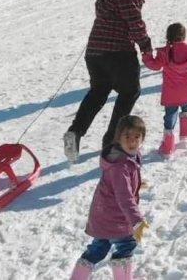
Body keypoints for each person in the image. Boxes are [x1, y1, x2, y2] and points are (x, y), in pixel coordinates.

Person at [65, 0, 153, 162]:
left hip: (95, 50)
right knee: (130, 91)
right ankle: (113, 142)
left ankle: (75, 132)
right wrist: (146, 46)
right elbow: (133, 19)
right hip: (117, 50)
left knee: (99, 91)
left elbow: (100, 6)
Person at [66, 114, 148, 280]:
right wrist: (137, 220)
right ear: (118, 138)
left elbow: (122, 184)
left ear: (142, 139)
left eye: (137, 137)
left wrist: (137, 183)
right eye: (127, 136)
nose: (132, 141)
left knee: (99, 248)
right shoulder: (120, 165)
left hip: (103, 214)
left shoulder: (127, 156)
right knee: (127, 245)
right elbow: (124, 197)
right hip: (115, 216)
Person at [141, 23, 187, 158]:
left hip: (171, 94)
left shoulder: (165, 53)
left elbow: (155, 66)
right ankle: (185, 133)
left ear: (168, 36)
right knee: (186, 111)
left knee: (170, 117)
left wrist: (147, 56)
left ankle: (168, 147)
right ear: (184, 36)